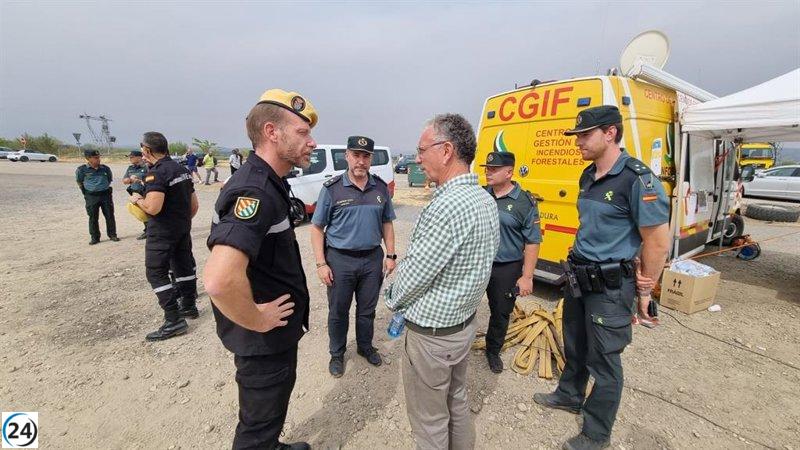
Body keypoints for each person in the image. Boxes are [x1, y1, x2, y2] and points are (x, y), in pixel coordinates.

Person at [532, 105, 670, 450]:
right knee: (575, 341)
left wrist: (643, 293)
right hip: (579, 276)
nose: (578, 142)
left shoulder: (637, 180)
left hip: (611, 286)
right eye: (577, 135)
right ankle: (569, 394)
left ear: (610, 133)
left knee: (605, 359)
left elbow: (656, 241)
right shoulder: (587, 175)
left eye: (584, 135)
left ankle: (596, 433)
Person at [203, 88, 318, 450]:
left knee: (270, 413)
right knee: (257, 425)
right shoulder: (254, 191)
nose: (311, 142)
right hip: (263, 340)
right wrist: (256, 319)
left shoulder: (272, 181)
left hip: (276, 335)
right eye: (302, 132)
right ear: (272, 132)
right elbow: (219, 280)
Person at [385, 114, 499, 450]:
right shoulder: (484, 199)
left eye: (422, 150)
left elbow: (415, 274)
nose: (417, 159)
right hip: (462, 327)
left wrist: (391, 297)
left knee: (429, 421)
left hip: (433, 339)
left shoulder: (447, 206)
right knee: (457, 402)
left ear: (446, 150)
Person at [310, 135, 397, 378]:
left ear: (370, 159)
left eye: (365, 156)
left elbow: (387, 222)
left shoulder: (380, 187)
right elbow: (317, 228)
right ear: (347, 156)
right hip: (340, 261)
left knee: (367, 310)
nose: (361, 161)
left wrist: (390, 254)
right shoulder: (332, 189)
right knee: (338, 311)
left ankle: (365, 346)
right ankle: (337, 353)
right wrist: (321, 263)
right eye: (356, 155)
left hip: (371, 260)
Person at [130, 132, 200, 342]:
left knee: (155, 272)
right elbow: (194, 205)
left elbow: (153, 207)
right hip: (181, 228)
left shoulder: (156, 174)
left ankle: (173, 319)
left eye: (143, 149)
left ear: (148, 150)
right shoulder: (182, 170)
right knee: (183, 266)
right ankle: (189, 305)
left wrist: (138, 200)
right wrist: (180, 221)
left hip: (162, 232)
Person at [480, 151, 542, 373]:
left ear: (509, 172)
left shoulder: (524, 202)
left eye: (494, 169)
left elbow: (533, 241)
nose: (488, 172)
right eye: (487, 168)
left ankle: (492, 350)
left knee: (500, 311)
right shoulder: (481, 194)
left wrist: (526, 277)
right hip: (479, 263)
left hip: (506, 267)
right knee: (465, 304)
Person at [75, 149, 118, 245]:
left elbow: (109, 179)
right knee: (93, 217)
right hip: (91, 196)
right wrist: (87, 192)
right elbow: (79, 182)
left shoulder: (105, 168)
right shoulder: (82, 170)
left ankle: (112, 234)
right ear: (88, 159)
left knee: (109, 215)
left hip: (105, 195)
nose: (98, 159)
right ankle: (95, 237)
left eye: (99, 157)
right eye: (95, 158)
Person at [122, 149, 149, 240]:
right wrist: (130, 179)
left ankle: (151, 231)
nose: (130, 158)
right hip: (135, 193)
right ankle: (147, 230)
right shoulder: (130, 168)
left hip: (145, 193)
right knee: (140, 212)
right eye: (129, 157)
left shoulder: (146, 167)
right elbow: (124, 181)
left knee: (148, 211)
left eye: (132, 157)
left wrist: (140, 180)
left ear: (139, 157)